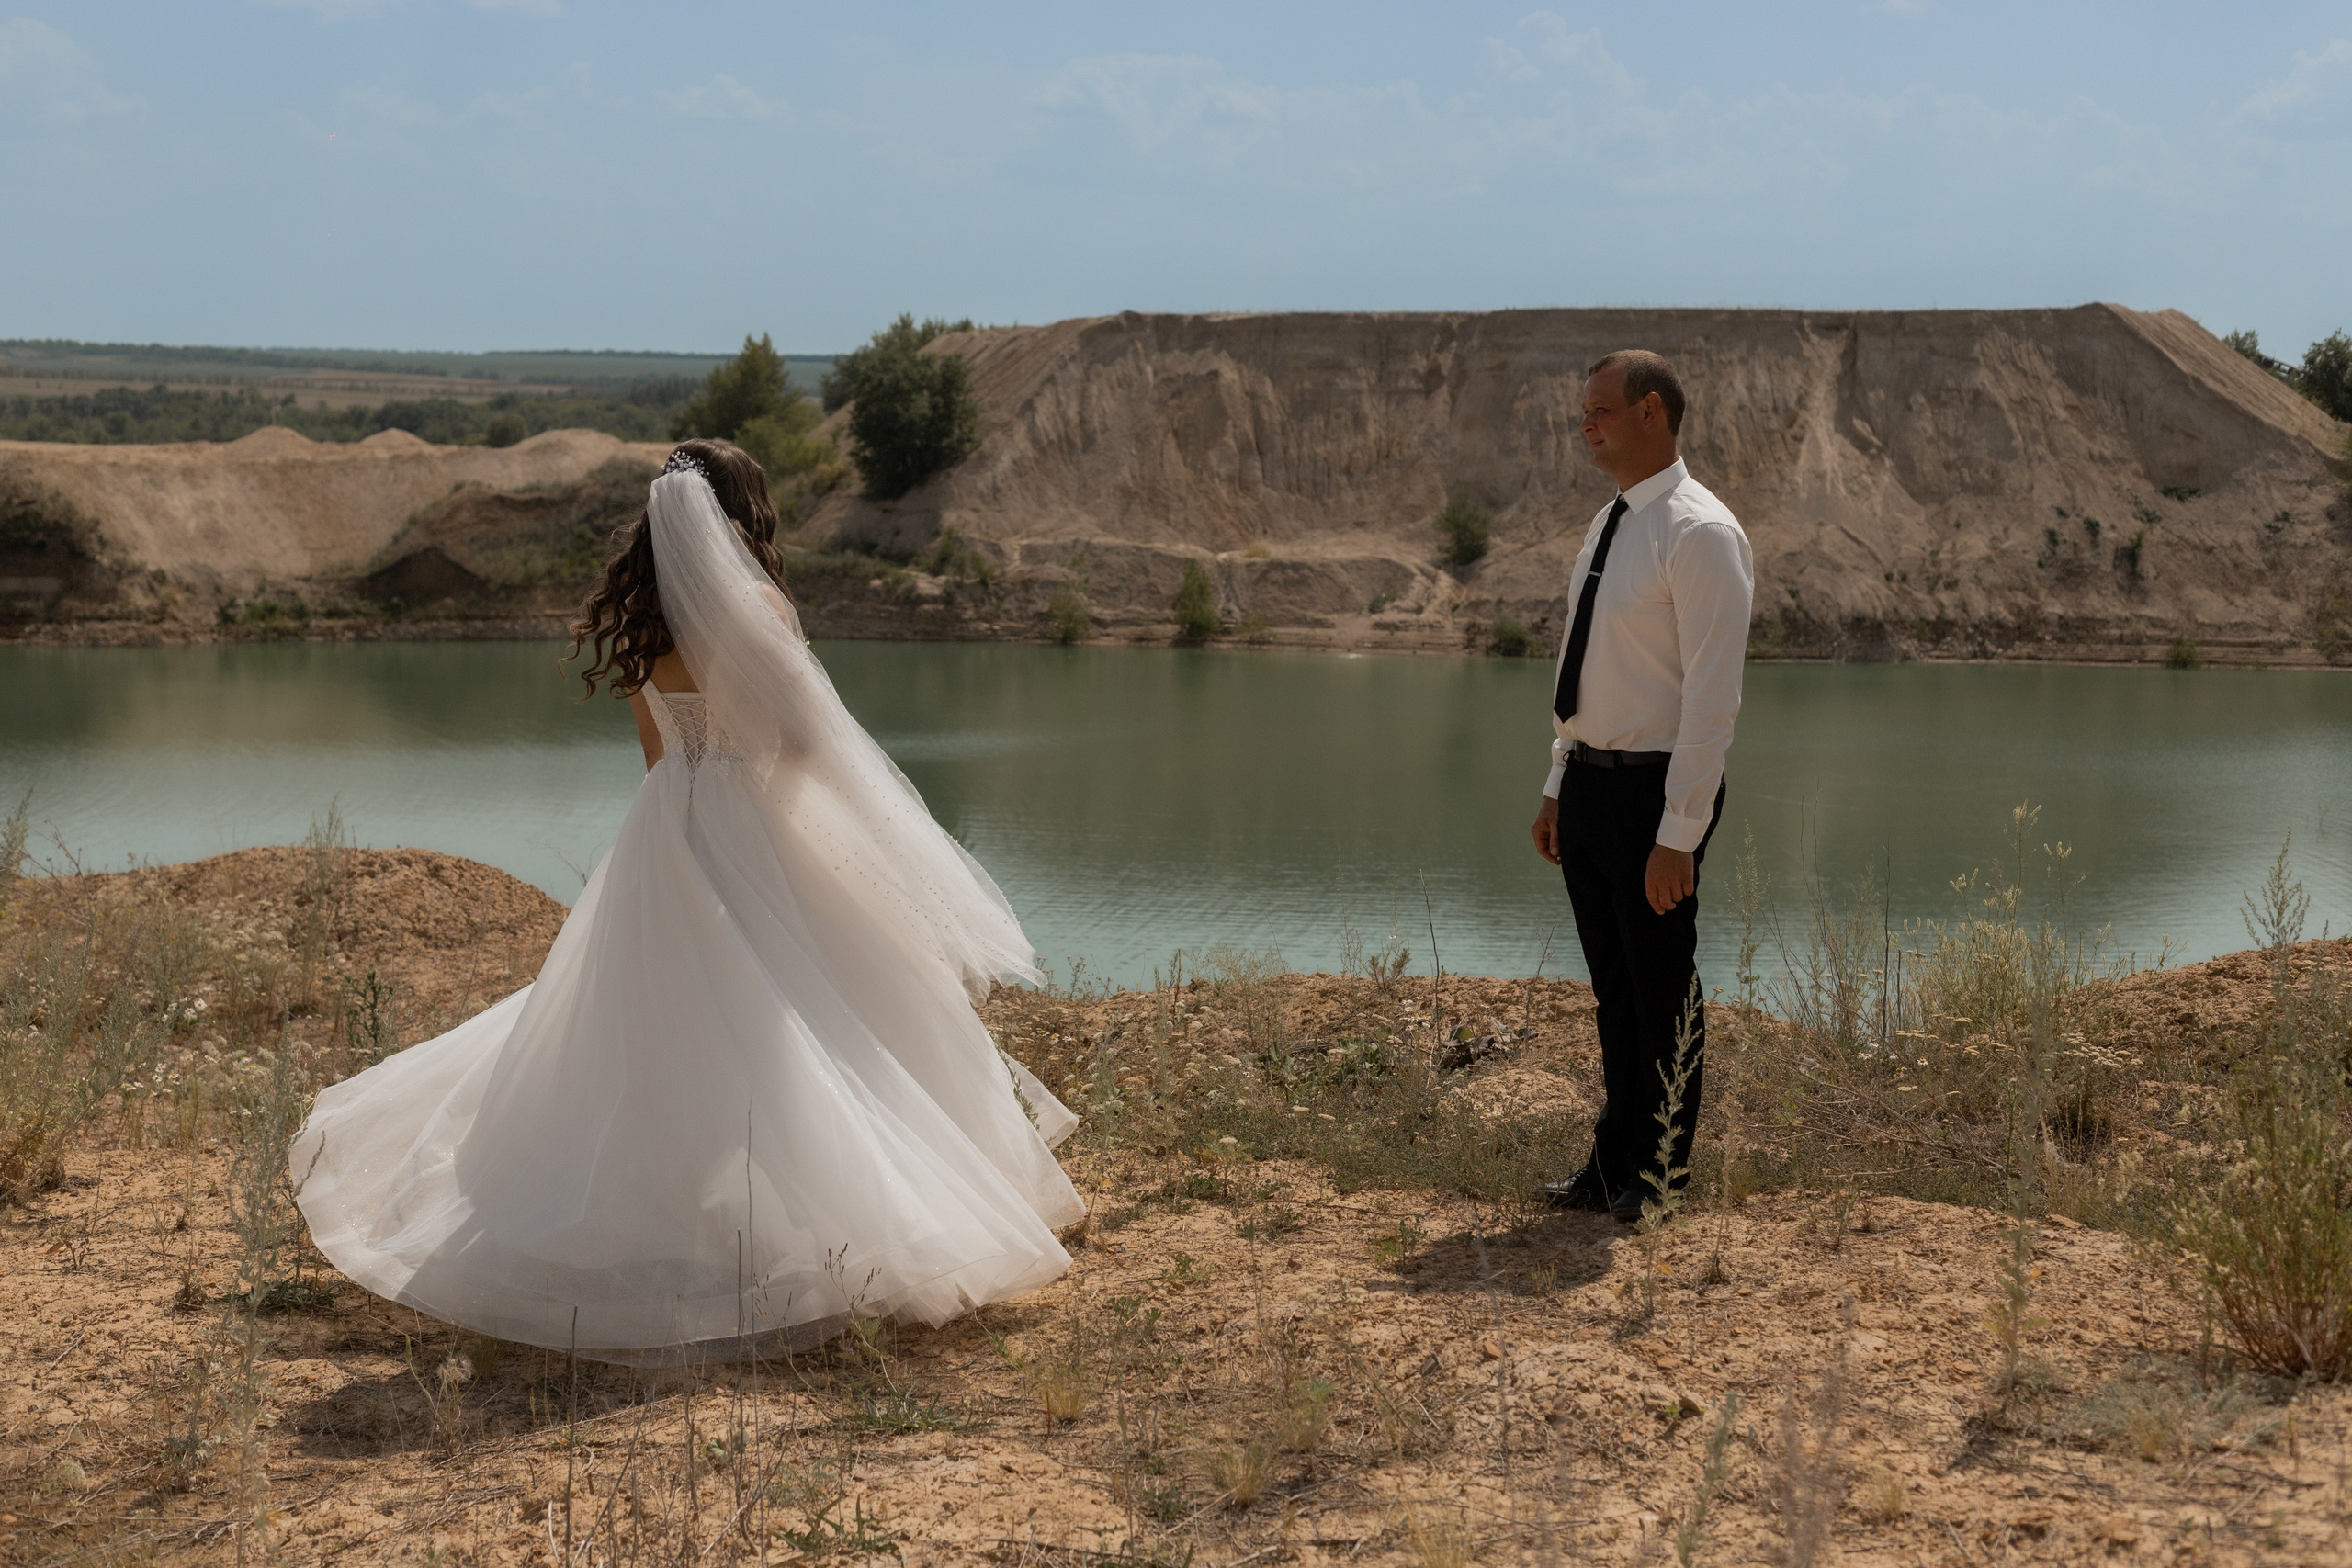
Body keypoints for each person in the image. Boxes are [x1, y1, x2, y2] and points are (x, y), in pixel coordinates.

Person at [292, 440, 1081, 1362]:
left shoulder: (648, 615)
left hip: (667, 826)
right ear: (743, 515)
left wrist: (688, 822)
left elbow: (659, 755)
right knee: (806, 1017)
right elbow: (800, 741)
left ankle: (673, 1224)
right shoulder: (756, 607)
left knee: (668, 1027)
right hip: (751, 813)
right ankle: (848, 1229)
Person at [1529, 352, 1754, 1225]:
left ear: (1651, 412)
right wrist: (1557, 781)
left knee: (1661, 990)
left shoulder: (1701, 532)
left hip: (1657, 797)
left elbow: (1713, 702)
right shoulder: (1609, 523)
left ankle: (1660, 1175)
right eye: (1583, 411)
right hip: (1589, 786)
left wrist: (1679, 833)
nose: (1585, 424)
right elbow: (1586, 666)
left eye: (1600, 411)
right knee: (1614, 990)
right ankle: (1610, 1161)